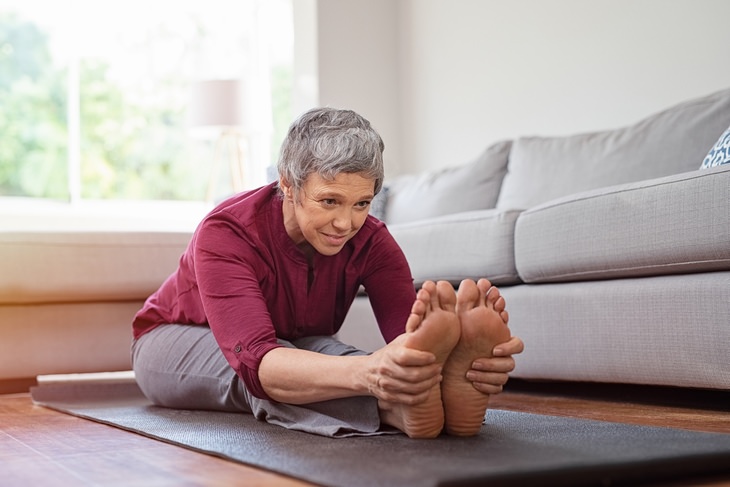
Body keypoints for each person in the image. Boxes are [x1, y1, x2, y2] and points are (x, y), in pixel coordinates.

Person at [131, 107, 524, 439]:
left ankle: (414, 400)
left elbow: (410, 342)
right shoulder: (227, 232)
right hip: (176, 339)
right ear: (288, 184)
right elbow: (258, 361)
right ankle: (391, 410)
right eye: (329, 201)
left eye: (361, 203)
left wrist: (458, 363)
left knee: (336, 358)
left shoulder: (373, 240)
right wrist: (372, 373)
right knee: (276, 375)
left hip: (293, 342)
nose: (345, 223)